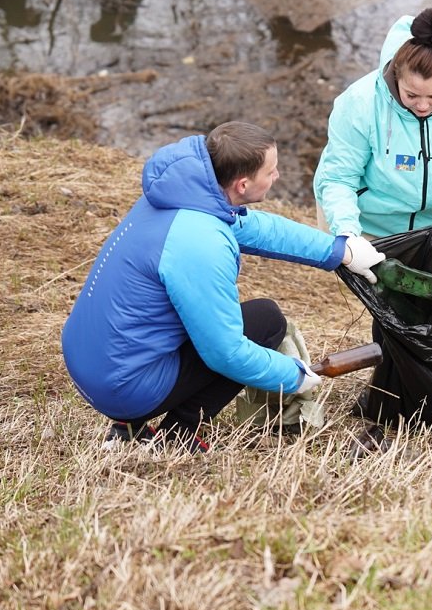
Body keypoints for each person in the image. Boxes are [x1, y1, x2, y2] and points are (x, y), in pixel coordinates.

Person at [60, 122, 385, 452]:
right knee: (265, 322)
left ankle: (129, 428)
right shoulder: (201, 244)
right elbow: (226, 354)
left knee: (215, 318)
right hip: (123, 387)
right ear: (243, 184)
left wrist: (340, 251)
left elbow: (260, 229)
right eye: (271, 171)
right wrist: (292, 375)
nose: (278, 177)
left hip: (90, 357)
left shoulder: (184, 196)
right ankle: (179, 433)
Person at [313, 7, 432, 245]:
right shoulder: (360, 102)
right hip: (360, 221)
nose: (422, 106)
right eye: (411, 95)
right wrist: (347, 233)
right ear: (397, 75)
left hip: (427, 231)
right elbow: (339, 178)